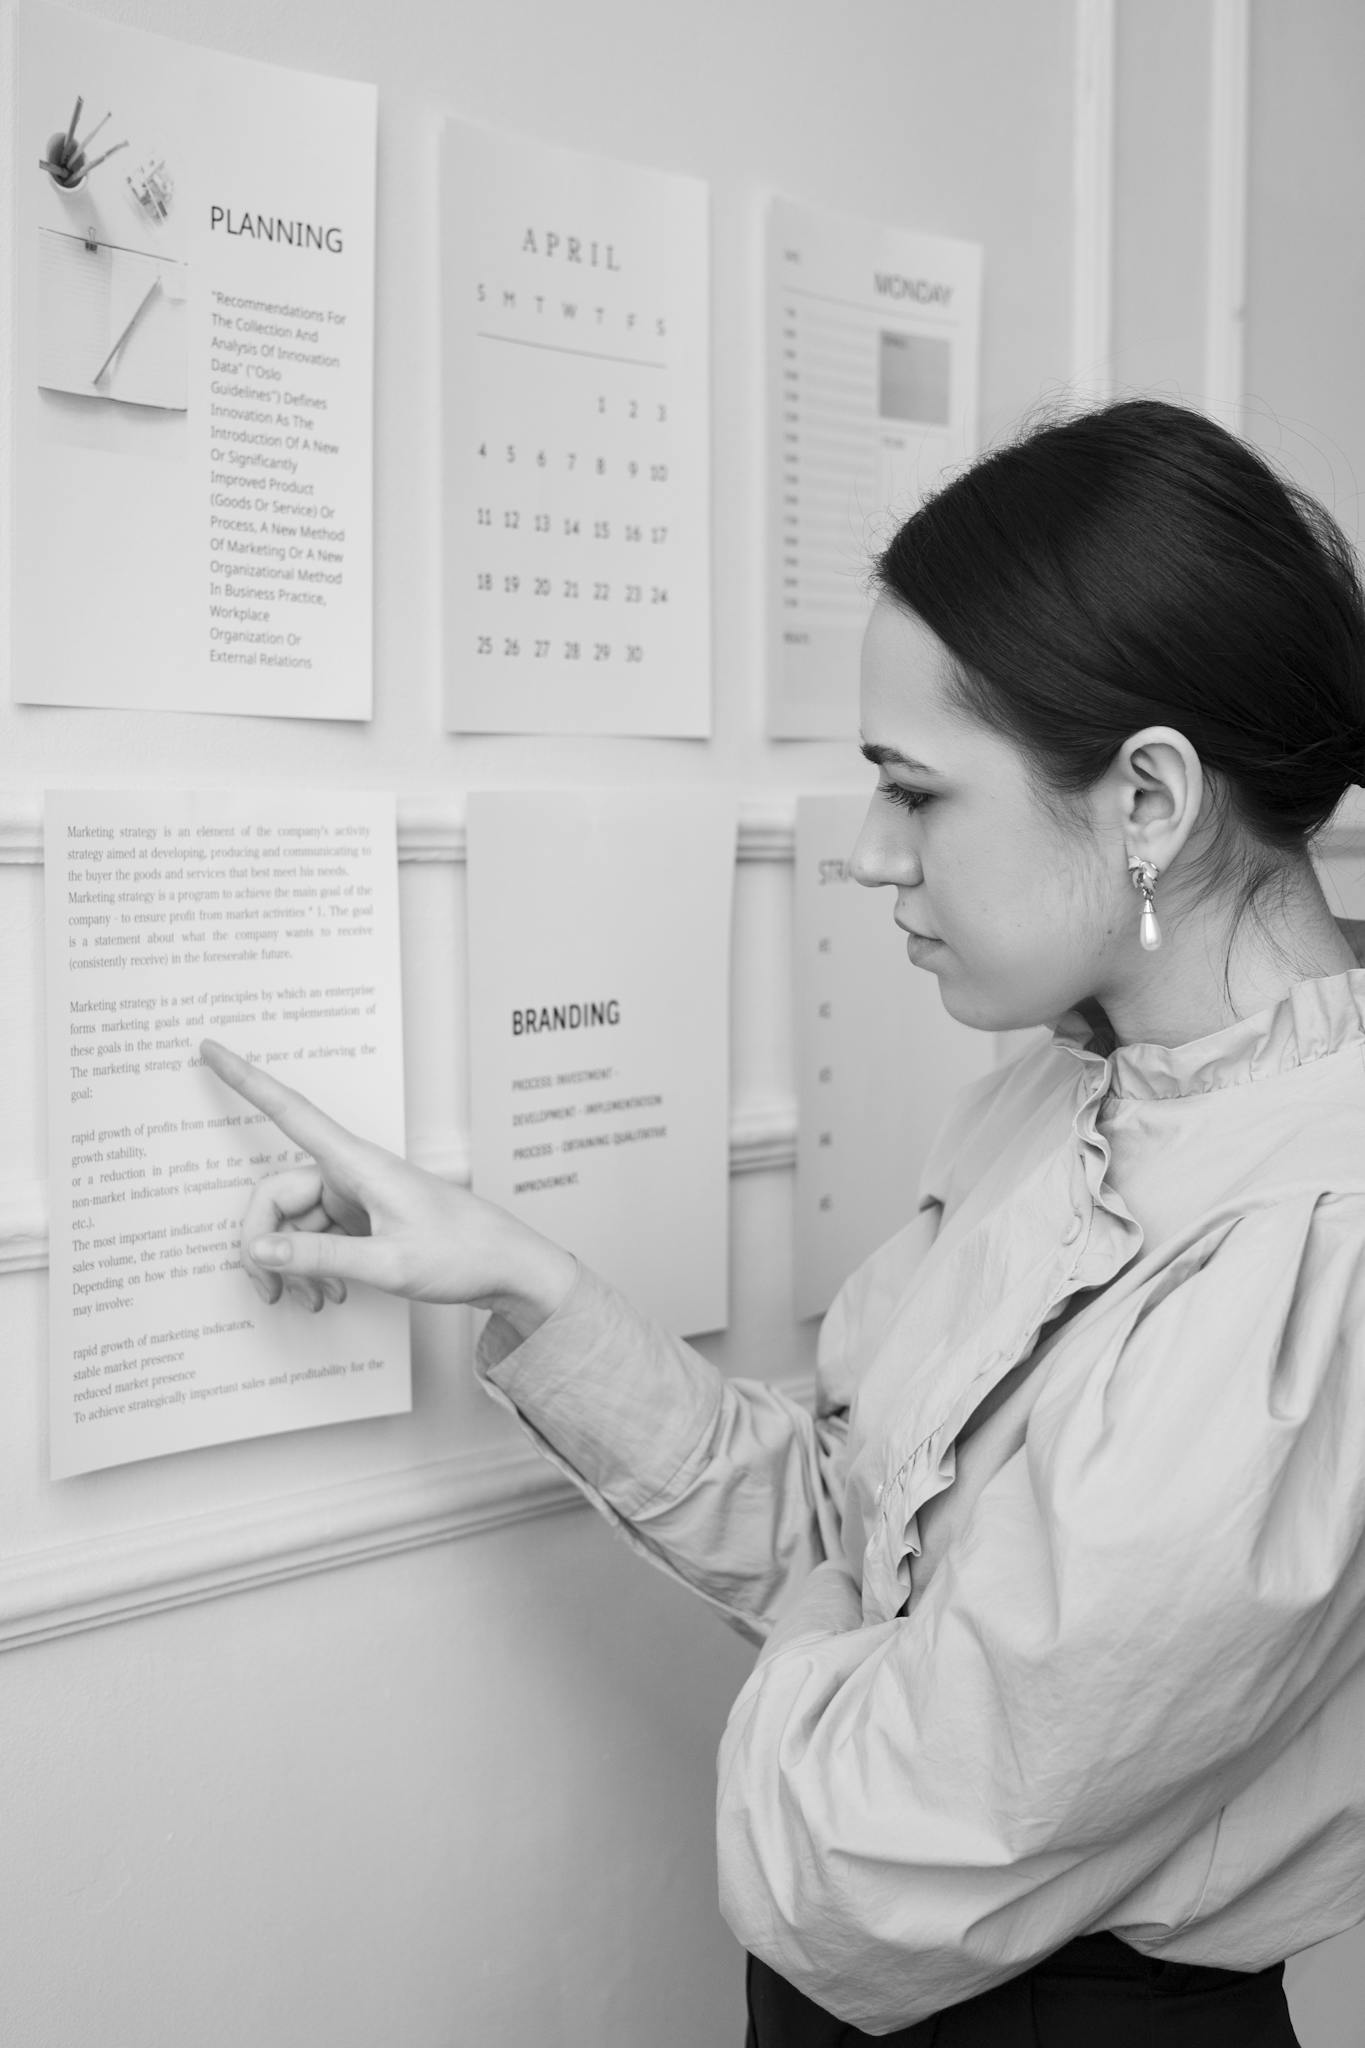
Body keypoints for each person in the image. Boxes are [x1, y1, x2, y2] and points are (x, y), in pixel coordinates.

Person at [200, 400, 1365, 2046]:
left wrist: (823, 1643)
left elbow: (851, 1851)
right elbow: (856, 1521)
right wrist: (516, 1270)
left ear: (1149, 799)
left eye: (914, 791)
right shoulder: (1061, 1093)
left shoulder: (1312, 1252)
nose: (874, 857)